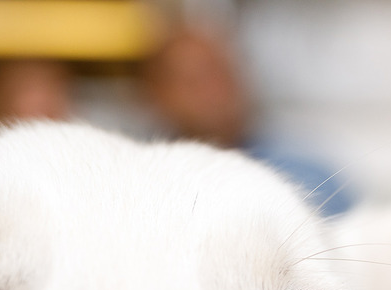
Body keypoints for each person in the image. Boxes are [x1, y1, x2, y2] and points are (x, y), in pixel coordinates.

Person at [141, 27, 354, 216]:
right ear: (156, 94)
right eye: (193, 80)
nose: (213, 91)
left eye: (222, 72)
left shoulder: (309, 180)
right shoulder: (143, 188)